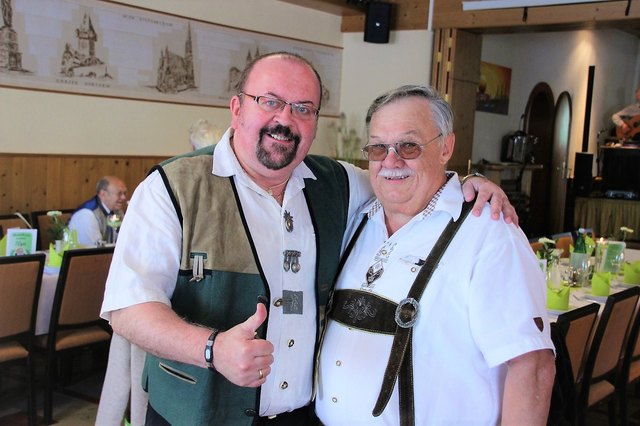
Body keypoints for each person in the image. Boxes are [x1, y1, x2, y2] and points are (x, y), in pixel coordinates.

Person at [100, 52, 517, 425]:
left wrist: (467, 183)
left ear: (316, 122)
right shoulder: (171, 186)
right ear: (237, 108)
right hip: (193, 418)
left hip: (301, 418)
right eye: (270, 101)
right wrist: (212, 349)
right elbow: (127, 307)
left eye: (303, 108)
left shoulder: (337, 183)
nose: (285, 118)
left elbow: (406, 177)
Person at [316, 85, 555, 425]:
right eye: (378, 148)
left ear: (446, 147)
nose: (391, 161)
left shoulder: (488, 233)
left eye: (409, 146)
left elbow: (532, 365)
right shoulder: (356, 217)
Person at [68, 175, 127, 246]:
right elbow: (96, 249)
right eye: (119, 193)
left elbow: (125, 239)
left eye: (124, 193)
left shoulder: (118, 211)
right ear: (103, 194)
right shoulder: (87, 215)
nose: (124, 197)